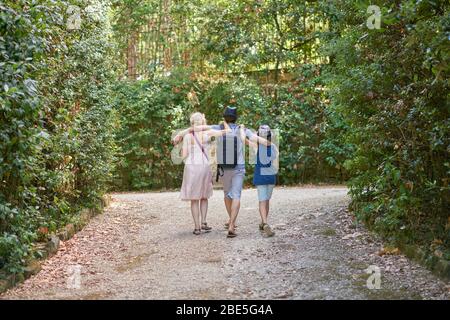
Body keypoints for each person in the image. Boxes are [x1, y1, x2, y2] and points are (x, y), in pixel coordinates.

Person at [174, 106, 271, 238]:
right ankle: (231, 224)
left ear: (224, 117)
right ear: (236, 118)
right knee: (236, 195)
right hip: (239, 167)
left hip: (225, 168)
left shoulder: (218, 127)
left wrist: (181, 133)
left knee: (227, 194)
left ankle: (229, 220)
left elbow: (197, 129)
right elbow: (255, 139)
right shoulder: (242, 129)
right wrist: (268, 143)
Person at [179, 113, 229, 235]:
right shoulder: (208, 132)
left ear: (192, 122)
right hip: (204, 166)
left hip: (191, 167)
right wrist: (225, 122)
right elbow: (226, 131)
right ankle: (204, 222)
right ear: (203, 121)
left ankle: (197, 227)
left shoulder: (187, 136)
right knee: (204, 196)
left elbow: (184, 155)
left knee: (194, 199)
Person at [250, 125, 278, 237]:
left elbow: (248, 139)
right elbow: (275, 161)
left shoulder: (256, 146)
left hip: (260, 177)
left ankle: (265, 222)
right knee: (266, 201)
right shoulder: (273, 146)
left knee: (262, 201)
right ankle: (263, 222)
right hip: (271, 177)